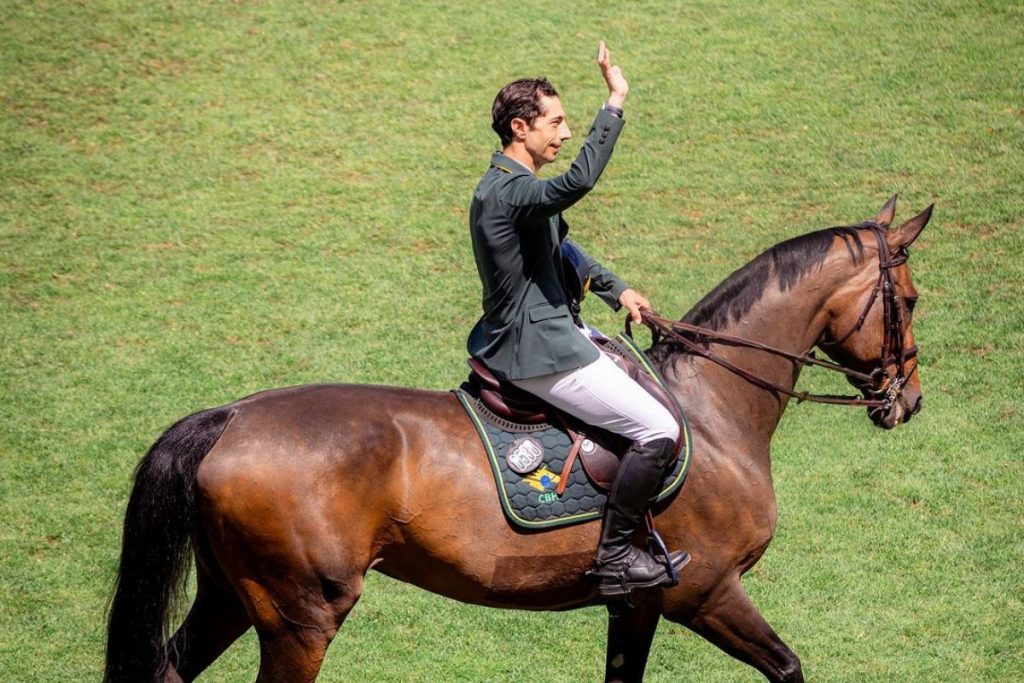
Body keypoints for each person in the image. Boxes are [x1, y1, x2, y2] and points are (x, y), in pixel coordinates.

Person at [467, 42, 689, 597]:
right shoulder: (508, 192)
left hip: (553, 331)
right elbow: (577, 184)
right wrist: (613, 103)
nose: (564, 135)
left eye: (567, 123)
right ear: (521, 128)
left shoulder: (518, 191)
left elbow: (564, 249)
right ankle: (615, 558)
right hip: (537, 349)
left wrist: (618, 292)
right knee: (659, 428)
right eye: (556, 123)